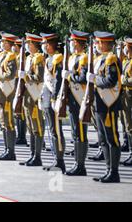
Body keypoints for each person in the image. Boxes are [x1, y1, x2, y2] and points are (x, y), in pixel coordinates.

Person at [89, 32, 122, 183]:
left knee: (112, 138)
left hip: (108, 104)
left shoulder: (111, 59)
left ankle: (114, 172)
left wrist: (95, 79)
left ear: (104, 43)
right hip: (99, 103)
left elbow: (111, 81)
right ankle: (108, 169)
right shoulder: (99, 59)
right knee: (102, 138)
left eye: (98, 42)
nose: (96, 45)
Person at [64, 30, 90, 176]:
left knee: (80, 132)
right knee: (75, 132)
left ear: (78, 42)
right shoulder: (74, 57)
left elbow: (82, 78)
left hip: (79, 97)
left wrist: (70, 75)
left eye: (74, 41)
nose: (72, 44)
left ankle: (80, 165)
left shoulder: (84, 58)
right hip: (73, 97)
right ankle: (77, 163)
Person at [18, 33, 45, 166]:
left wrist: (27, 76)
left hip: (35, 95)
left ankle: (37, 156)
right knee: (30, 125)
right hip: (28, 95)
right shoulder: (29, 58)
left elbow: (40, 77)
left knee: (37, 126)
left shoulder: (39, 58)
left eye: (29, 43)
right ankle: (32, 154)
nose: (28, 46)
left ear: (35, 45)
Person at [40, 33, 66, 173]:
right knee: (52, 130)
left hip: (53, 99)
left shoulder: (57, 59)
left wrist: (55, 97)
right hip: (48, 97)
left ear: (50, 45)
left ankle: (60, 160)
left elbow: (57, 80)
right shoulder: (49, 58)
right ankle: (56, 158)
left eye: (45, 44)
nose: (43, 46)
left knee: (56, 130)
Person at [0, 32, 18, 161]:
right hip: (1, 92)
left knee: (8, 122)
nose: (1, 44)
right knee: (3, 121)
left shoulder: (11, 57)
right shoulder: (2, 55)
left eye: (3, 42)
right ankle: (6, 149)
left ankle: (10, 151)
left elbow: (10, 75)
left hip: (8, 92)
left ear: (8, 43)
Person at [120, 37, 132, 166]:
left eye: (125, 46)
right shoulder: (126, 61)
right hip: (126, 96)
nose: (124, 48)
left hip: (131, 95)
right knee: (128, 125)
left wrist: (124, 80)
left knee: (131, 125)